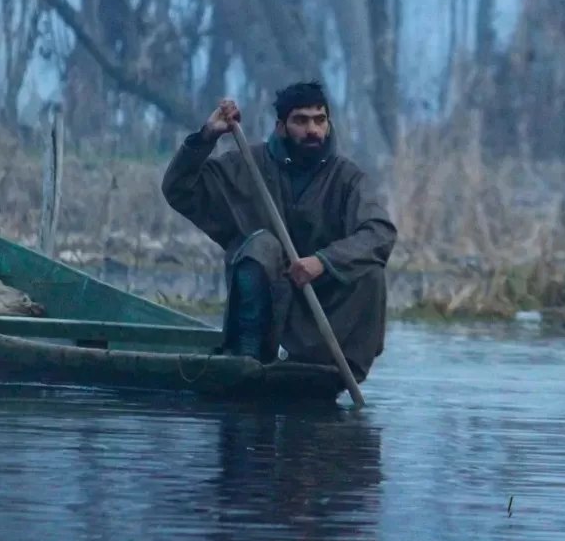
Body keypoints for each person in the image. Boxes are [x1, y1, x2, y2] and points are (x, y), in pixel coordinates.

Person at [160, 81, 396, 382]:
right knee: (262, 246)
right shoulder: (247, 165)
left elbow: (380, 232)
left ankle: (335, 369)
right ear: (282, 126)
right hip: (263, 302)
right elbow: (179, 189)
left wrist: (323, 262)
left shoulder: (347, 178)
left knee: (370, 271)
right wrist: (207, 136)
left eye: (319, 120)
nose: (312, 130)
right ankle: (246, 360)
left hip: (320, 308)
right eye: (301, 120)